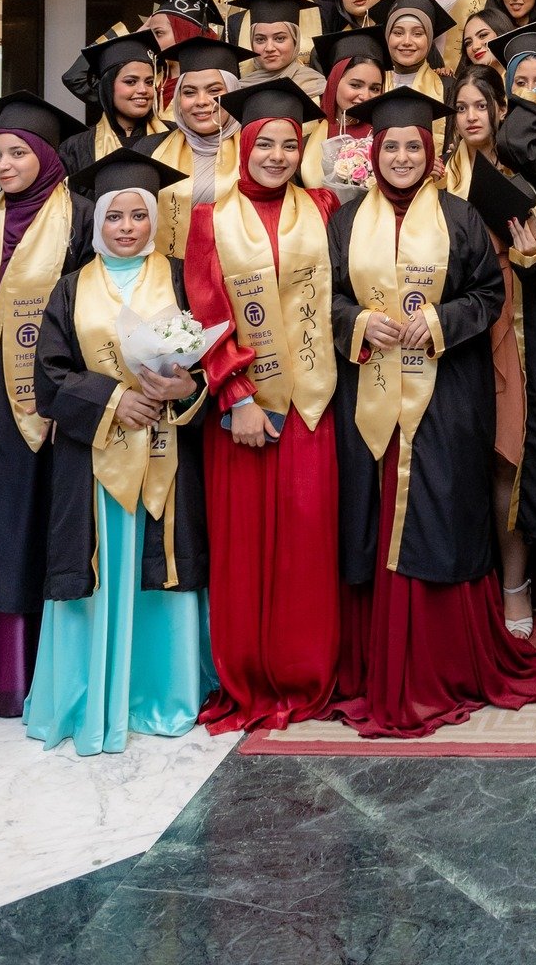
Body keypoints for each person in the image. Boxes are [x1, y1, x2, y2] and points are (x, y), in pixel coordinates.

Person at [328, 88, 536, 736]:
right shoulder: (345, 223)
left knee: (441, 511)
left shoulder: (460, 217)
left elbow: (489, 294)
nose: (402, 157)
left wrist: (437, 321)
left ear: (431, 152)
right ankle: (385, 662)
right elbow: (326, 296)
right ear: (374, 153)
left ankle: (447, 660)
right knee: (380, 515)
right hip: (372, 392)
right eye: (391, 147)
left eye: (414, 146)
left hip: (448, 393)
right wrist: (358, 322)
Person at [27, 151, 212, 754]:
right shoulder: (69, 287)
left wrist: (188, 388)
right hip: (91, 462)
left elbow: (213, 363)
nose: (127, 227)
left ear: (155, 219)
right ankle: (87, 695)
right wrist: (112, 400)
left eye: (138, 215)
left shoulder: (183, 277)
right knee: (94, 568)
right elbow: (48, 373)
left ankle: (162, 693)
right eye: (114, 216)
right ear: (98, 221)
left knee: (163, 563)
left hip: (166, 452)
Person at [183, 77, 343, 731]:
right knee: (244, 547)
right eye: (265, 144)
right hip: (243, 416)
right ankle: (247, 674)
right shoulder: (209, 218)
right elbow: (206, 314)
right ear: (243, 145)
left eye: (289, 144)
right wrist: (237, 398)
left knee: (308, 542)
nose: (277, 156)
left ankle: (306, 672)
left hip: (311, 405)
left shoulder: (325, 206)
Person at [444, 65, 536, 636]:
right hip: (455, 331)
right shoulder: (437, 176)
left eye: (481, 105)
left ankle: (515, 584)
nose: (471, 116)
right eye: (461, 107)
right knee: (461, 460)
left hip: (514, 328)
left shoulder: (526, 173)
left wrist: (532, 256)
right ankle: (471, 584)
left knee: (508, 457)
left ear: (501, 110)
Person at [0, 92, 89, 716]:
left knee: (31, 524)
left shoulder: (81, 218)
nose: (4, 165)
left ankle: (26, 672)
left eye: (17, 154)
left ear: (48, 157)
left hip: (46, 399)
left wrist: (66, 396)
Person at [138, 38, 244, 257]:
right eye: (189, 92)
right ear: (178, 99)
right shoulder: (150, 151)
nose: (201, 101)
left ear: (234, 92)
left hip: (238, 271)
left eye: (214, 90)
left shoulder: (257, 150)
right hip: (167, 273)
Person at [59, 33, 166, 172]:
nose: (143, 90)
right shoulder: (77, 148)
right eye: (130, 82)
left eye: (149, 82)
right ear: (108, 86)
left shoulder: (174, 137)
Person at [302, 29, 384, 199]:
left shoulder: (387, 136)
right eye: (355, 85)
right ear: (334, 82)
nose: (365, 96)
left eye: (375, 89)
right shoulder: (307, 140)